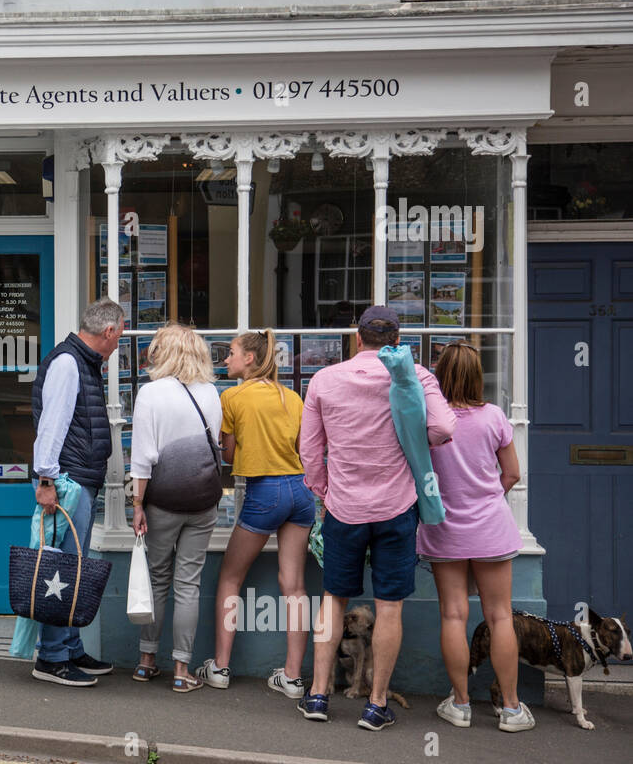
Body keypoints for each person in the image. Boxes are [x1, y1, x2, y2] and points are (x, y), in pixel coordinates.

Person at [298, 306, 456, 730]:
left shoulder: (325, 380)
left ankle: (316, 696)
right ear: (397, 340)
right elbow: (443, 429)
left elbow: (310, 451)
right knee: (389, 607)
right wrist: (406, 440)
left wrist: (324, 491)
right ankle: (376, 704)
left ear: (357, 336)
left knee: (333, 599)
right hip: (396, 506)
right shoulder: (416, 376)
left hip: (344, 508)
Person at [418, 342, 532, 732]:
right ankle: (513, 710)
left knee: (453, 614)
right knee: (500, 616)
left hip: (443, 529)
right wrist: (485, 501)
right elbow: (513, 474)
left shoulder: (430, 422)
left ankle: (461, 705)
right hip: (491, 530)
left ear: (439, 377)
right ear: (478, 376)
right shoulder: (495, 417)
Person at [197, 329, 312, 698]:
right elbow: (301, 449)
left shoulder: (232, 397)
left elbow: (228, 456)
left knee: (230, 578)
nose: (225, 359)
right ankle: (293, 678)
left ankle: (220, 667)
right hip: (300, 491)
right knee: (294, 586)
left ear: (249, 358)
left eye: (230, 353)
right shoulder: (292, 397)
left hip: (265, 492)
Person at [29, 297, 125, 687]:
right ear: (108, 331)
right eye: (119, 335)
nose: (119, 343)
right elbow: (51, 426)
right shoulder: (69, 364)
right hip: (67, 483)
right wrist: (46, 481)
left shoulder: (80, 362)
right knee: (61, 569)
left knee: (73, 568)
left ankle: (69, 647)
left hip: (76, 479)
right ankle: (51, 657)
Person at [129, 324, 223, 692]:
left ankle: (146, 661)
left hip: (162, 501)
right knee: (188, 584)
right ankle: (182, 671)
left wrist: (137, 505)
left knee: (156, 580)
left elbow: (143, 458)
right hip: (202, 501)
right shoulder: (212, 393)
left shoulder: (150, 394)